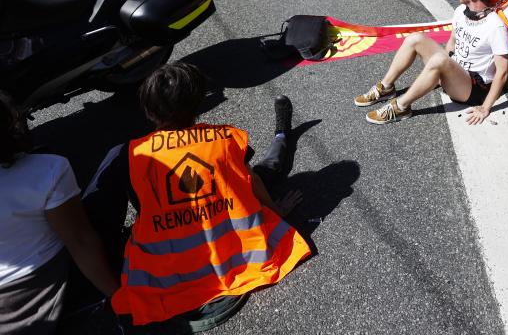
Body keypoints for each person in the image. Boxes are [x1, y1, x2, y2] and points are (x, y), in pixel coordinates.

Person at [85, 63, 310, 329]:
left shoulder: (130, 155)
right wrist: (274, 212)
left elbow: (97, 216)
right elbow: (254, 182)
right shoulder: (224, 139)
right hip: (235, 259)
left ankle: (283, 133)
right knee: (265, 169)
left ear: (148, 110)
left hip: (166, 276)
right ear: (200, 103)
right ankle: (282, 134)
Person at [0, 93, 119, 334]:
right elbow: (80, 241)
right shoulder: (48, 169)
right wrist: (120, 298)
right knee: (113, 167)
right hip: (32, 290)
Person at [354, 0, 508, 125]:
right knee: (415, 39)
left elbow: (502, 72)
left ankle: (401, 107)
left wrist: (485, 107)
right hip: (455, 73)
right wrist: (441, 71)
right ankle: (386, 87)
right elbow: (452, 43)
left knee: (439, 60)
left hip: (473, 88)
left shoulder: (495, 27)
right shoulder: (461, 11)